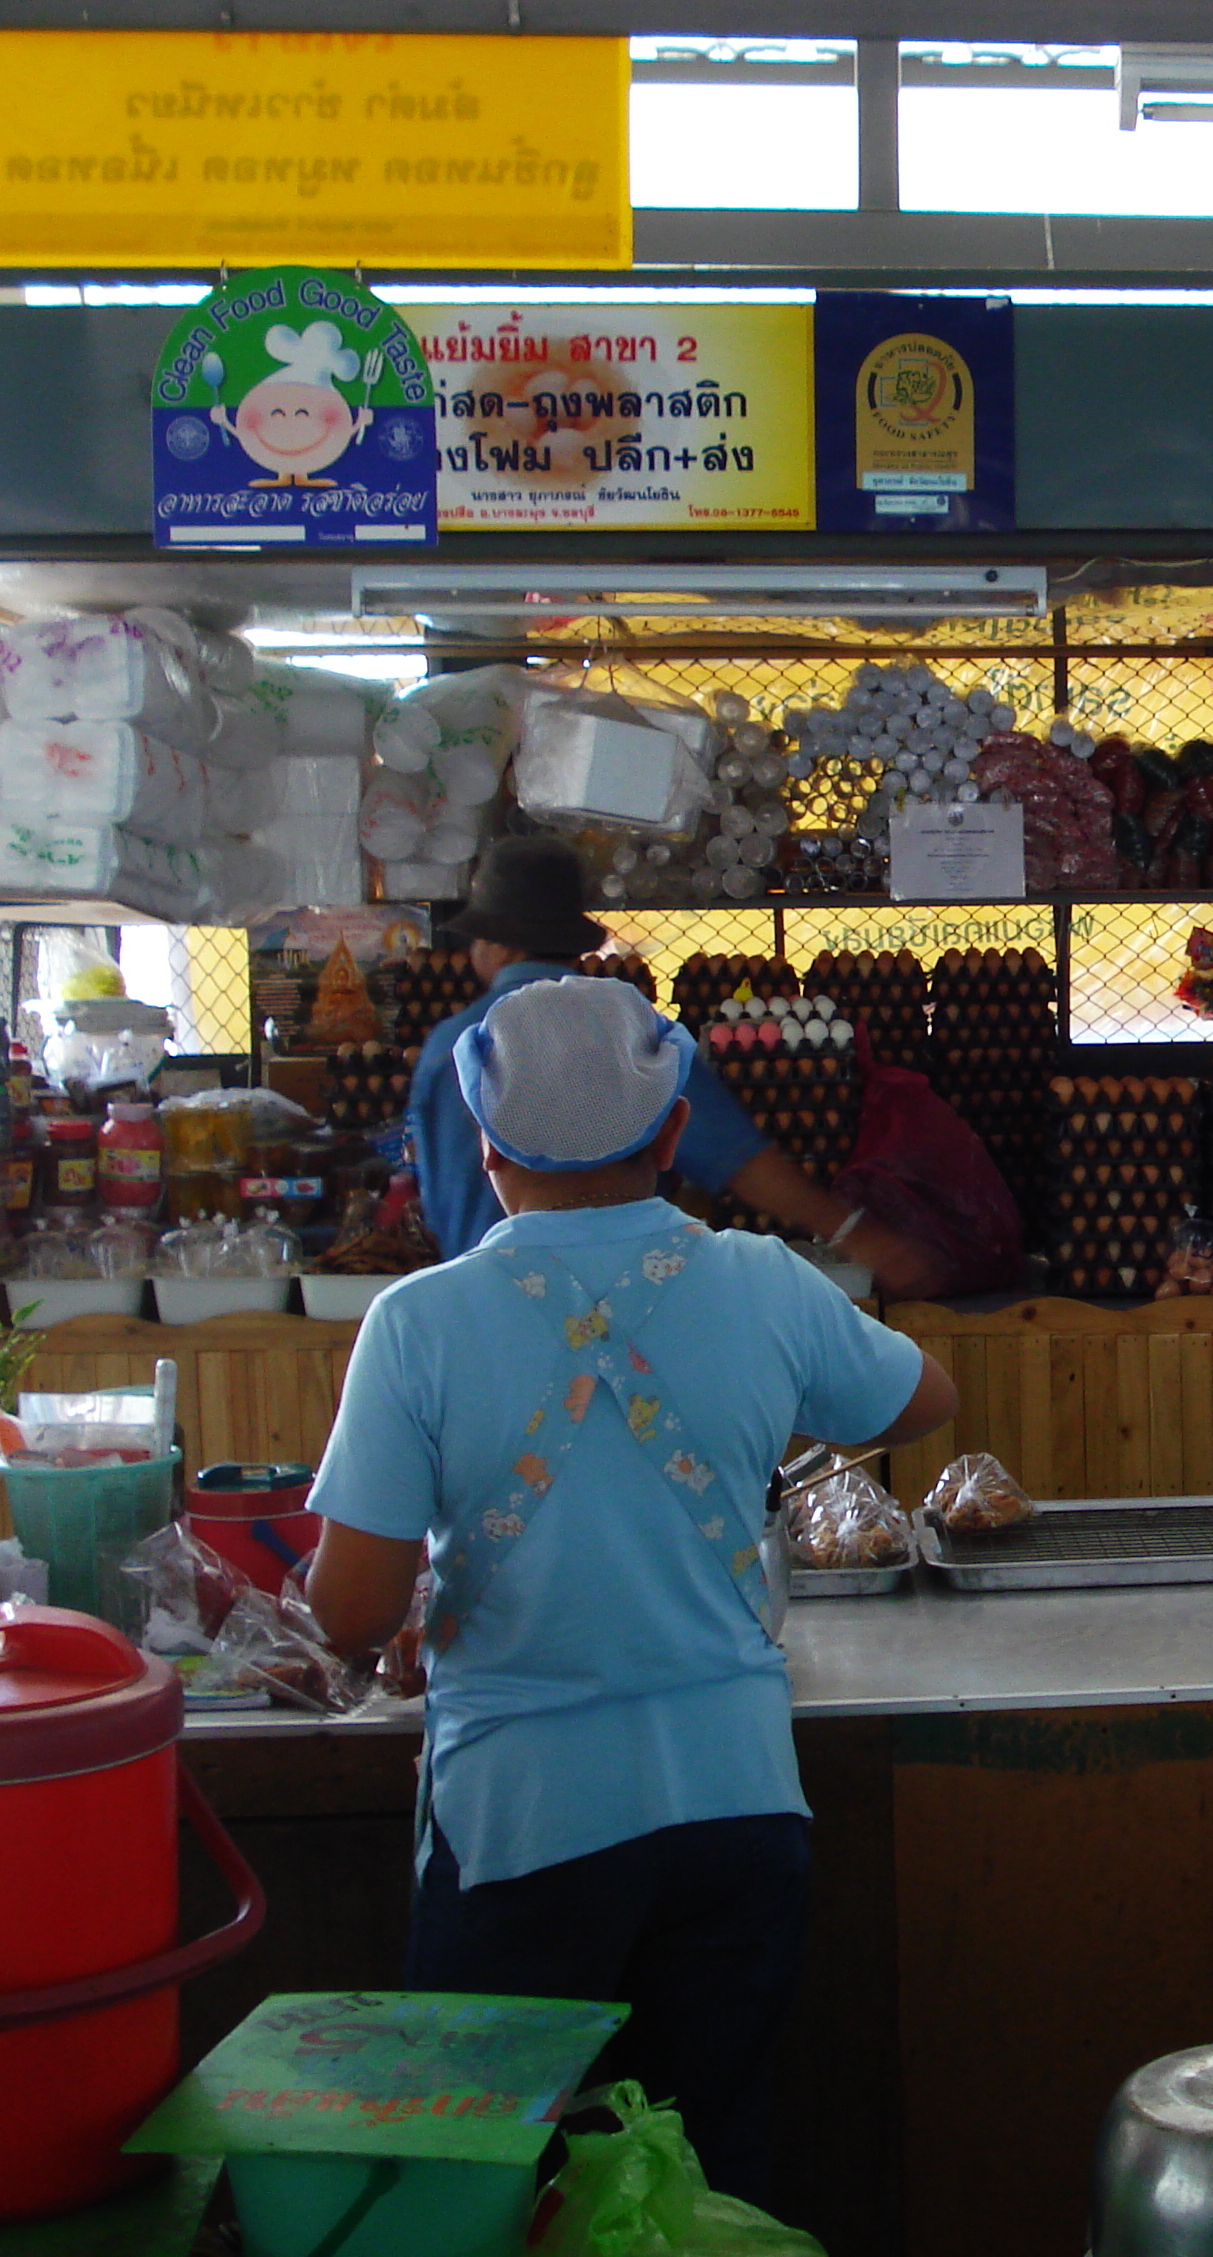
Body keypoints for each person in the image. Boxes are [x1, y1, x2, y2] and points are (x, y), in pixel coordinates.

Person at [305, 974, 960, 2202]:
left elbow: (347, 1613)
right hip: (737, 1805)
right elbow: (925, 1402)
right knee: (703, 2167)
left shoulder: (418, 1323)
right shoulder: (765, 1282)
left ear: (487, 1150)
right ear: (671, 1137)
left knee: (501, 2182)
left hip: (522, 1829)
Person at [408, 835, 936, 1296]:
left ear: (497, 945)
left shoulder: (447, 1047)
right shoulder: (626, 1034)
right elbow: (732, 1155)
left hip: (477, 1309)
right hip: (616, 1310)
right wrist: (856, 1234)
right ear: (571, 942)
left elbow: (431, 1196)